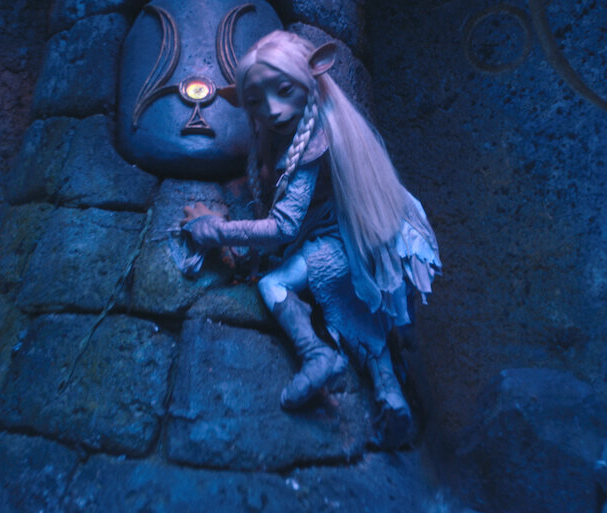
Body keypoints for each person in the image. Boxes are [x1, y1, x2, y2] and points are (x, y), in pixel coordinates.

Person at [181, 30, 440, 447]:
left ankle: (316, 354)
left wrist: (216, 231)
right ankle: (392, 399)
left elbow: (283, 227)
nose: (273, 110)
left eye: (284, 91)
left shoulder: (314, 140)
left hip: (346, 242)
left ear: (313, 75)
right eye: (256, 101)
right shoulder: (309, 126)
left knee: (274, 284)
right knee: (365, 321)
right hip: (352, 237)